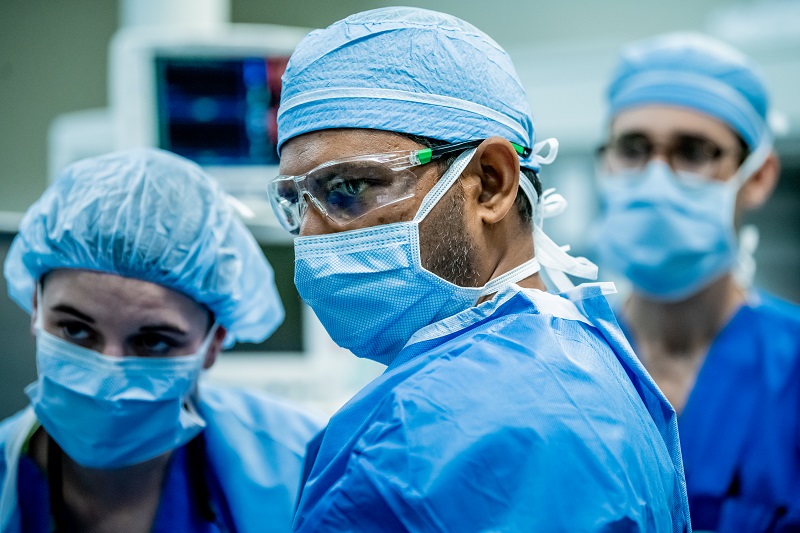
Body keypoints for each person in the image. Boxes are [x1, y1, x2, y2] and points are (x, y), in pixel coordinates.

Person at [268, 7, 691, 531]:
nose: (310, 233)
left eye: (349, 188)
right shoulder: (581, 357)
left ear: (490, 182)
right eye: (296, 200)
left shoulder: (438, 433)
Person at [0, 149, 322, 532]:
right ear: (36, 308)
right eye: (75, 330)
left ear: (213, 342)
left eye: (153, 342)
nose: (109, 371)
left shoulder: (301, 467)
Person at [595, 33, 800, 531]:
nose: (656, 178)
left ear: (757, 176)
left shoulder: (791, 368)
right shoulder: (565, 358)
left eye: (693, 151)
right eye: (633, 148)